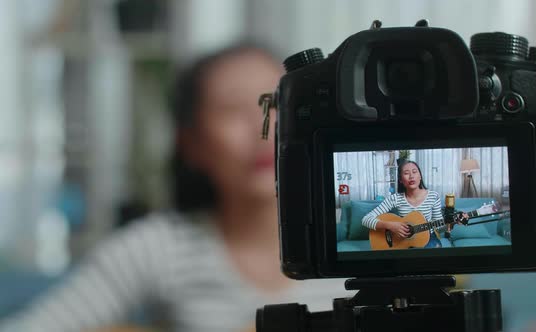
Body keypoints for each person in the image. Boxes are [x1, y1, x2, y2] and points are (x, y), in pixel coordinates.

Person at [0, 44, 348, 332]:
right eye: (231, 109)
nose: (265, 130)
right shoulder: (159, 247)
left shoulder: (357, 232)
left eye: (278, 103)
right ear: (192, 143)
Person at [362, 160, 457, 248]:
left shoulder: (433, 196)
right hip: (402, 240)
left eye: (414, 172)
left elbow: (439, 227)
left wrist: (451, 223)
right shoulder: (395, 198)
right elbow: (366, 219)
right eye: (406, 173)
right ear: (401, 180)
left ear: (420, 176)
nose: (411, 176)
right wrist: (390, 226)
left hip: (428, 238)